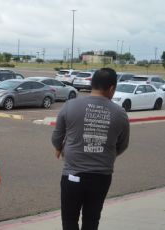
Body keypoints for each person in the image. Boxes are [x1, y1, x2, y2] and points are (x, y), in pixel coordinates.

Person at [51, 68, 130, 230]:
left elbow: (56, 137)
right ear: (111, 88)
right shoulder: (120, 113)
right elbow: (123, 145)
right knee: (92, 221)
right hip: (101, 177)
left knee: (69, 220)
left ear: (92, 84)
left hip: (72, 175)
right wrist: (108, 155)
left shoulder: (70, 106)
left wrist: (60, 147)